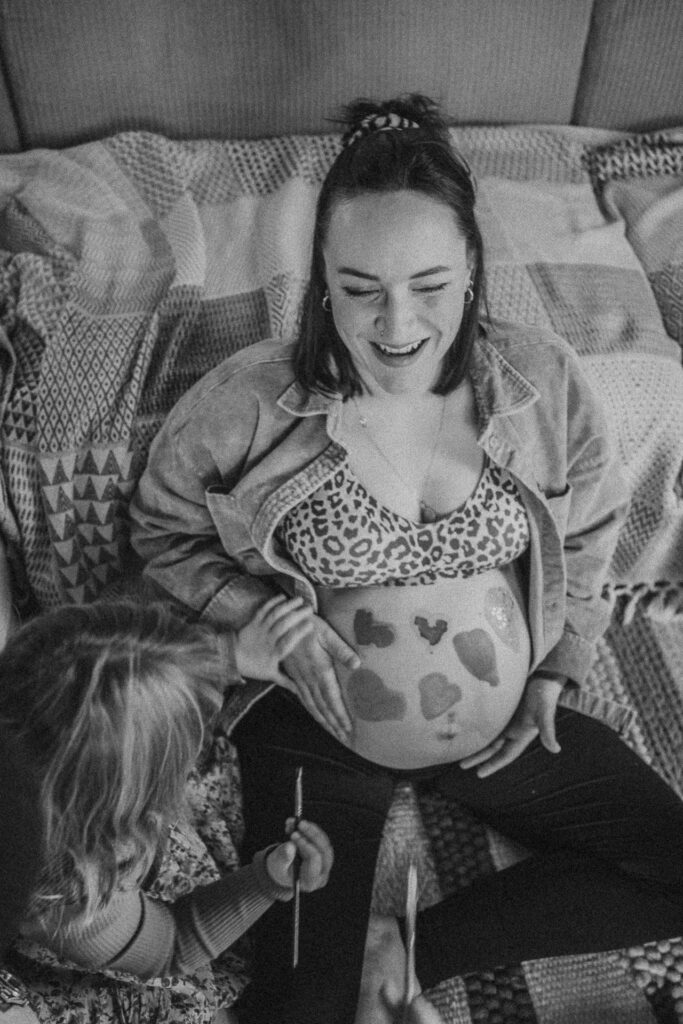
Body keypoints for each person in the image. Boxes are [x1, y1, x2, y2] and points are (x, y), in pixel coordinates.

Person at [129, 94, 683, 1022]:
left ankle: (408, 948)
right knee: (301, 1008)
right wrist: (248, 616)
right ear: (321, 281)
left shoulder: (541, 383)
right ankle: (340, 963)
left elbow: (590, 528)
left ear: (471, 271)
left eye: (428, 285)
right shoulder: (250, 401)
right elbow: (160, 534)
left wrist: (556, 666)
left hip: (500, 725)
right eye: (360, 289)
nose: (395, 324)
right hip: (316, 724)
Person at [0, 599, 333, 984]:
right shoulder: (69, 895)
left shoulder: (33, 717)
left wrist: (227, 653)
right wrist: (267, 880)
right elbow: (171, 945)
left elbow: (105, 673)